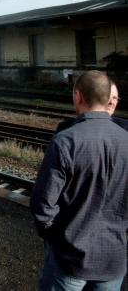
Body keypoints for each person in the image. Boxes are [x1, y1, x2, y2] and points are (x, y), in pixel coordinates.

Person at [30, 71, 127, 291]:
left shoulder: (65, 141)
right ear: (109, 99)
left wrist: (56, 238)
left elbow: (42, 205)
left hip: (69, 260)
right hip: (113, 259)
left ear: (78, 96)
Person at [56, 81, 128, 132]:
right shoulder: (65, 127)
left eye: (115, 98)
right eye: (107, 97)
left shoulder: (125, 126)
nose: (111, 102)